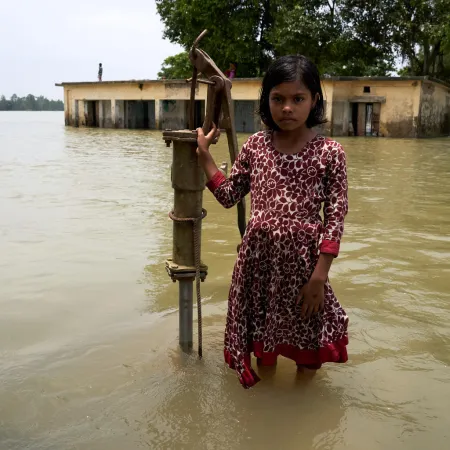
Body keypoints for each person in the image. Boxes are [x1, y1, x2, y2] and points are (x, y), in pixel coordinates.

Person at [196, 55, 349, 389]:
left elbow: (335, 217)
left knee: (308, 343)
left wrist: (319, 277)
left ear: (314, 101)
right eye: (278, 99)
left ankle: (299, 409)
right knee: (263, 345)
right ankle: (266, 409)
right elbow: (228, 195)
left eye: (298, 99)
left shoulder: (330, 153)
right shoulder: (256, 146)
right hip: (258, 266)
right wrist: (205, 157)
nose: (287, 108)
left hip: (304, 269)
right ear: (267, 101)